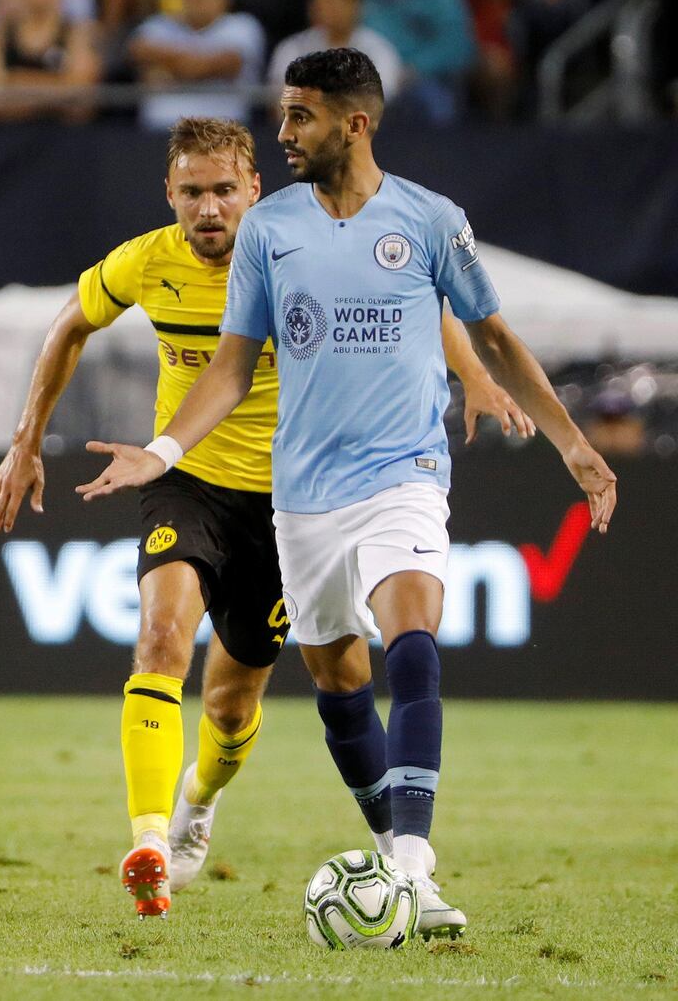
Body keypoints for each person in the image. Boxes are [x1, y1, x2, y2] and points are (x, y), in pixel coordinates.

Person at [75, 51, 617, 938]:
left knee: (411, 640)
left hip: (405, 473)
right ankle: (391, 850)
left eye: (299, 117)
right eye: (284, 117)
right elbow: (231, 365)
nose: (283, 134)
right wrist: (163, 449)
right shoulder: (269, 230)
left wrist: (572, 443)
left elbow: (496, 332)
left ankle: (411, 866)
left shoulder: (433, 221)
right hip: (301, 499)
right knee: (339, 683)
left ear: (354, 123)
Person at [0, 113, 529, 924]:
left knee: (235, 704)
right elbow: (70, 323)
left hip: (291, 498)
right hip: (185, 477)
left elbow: (416, 297)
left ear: (253, 189)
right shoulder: (148, 262)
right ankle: (147, 842)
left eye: (222, 191)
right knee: (162, 638)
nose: (207, 209)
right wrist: (25, 441)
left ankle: (200, 802)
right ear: (168, 195)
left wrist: (476, 376)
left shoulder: (303, 246)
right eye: (190, 193)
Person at [128, 0, 265, 130]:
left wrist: (166, 66)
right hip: (158, 134)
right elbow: (135, 51)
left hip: (222, 136)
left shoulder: (242, 25)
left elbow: (203, 67)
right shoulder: (158, 25)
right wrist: (194, 62)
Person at [267, 0, 403, 104]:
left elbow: (377, 105)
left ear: (356, 2)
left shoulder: (379, 51)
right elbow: (280, 106)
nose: (326, 2)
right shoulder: (292, 48)